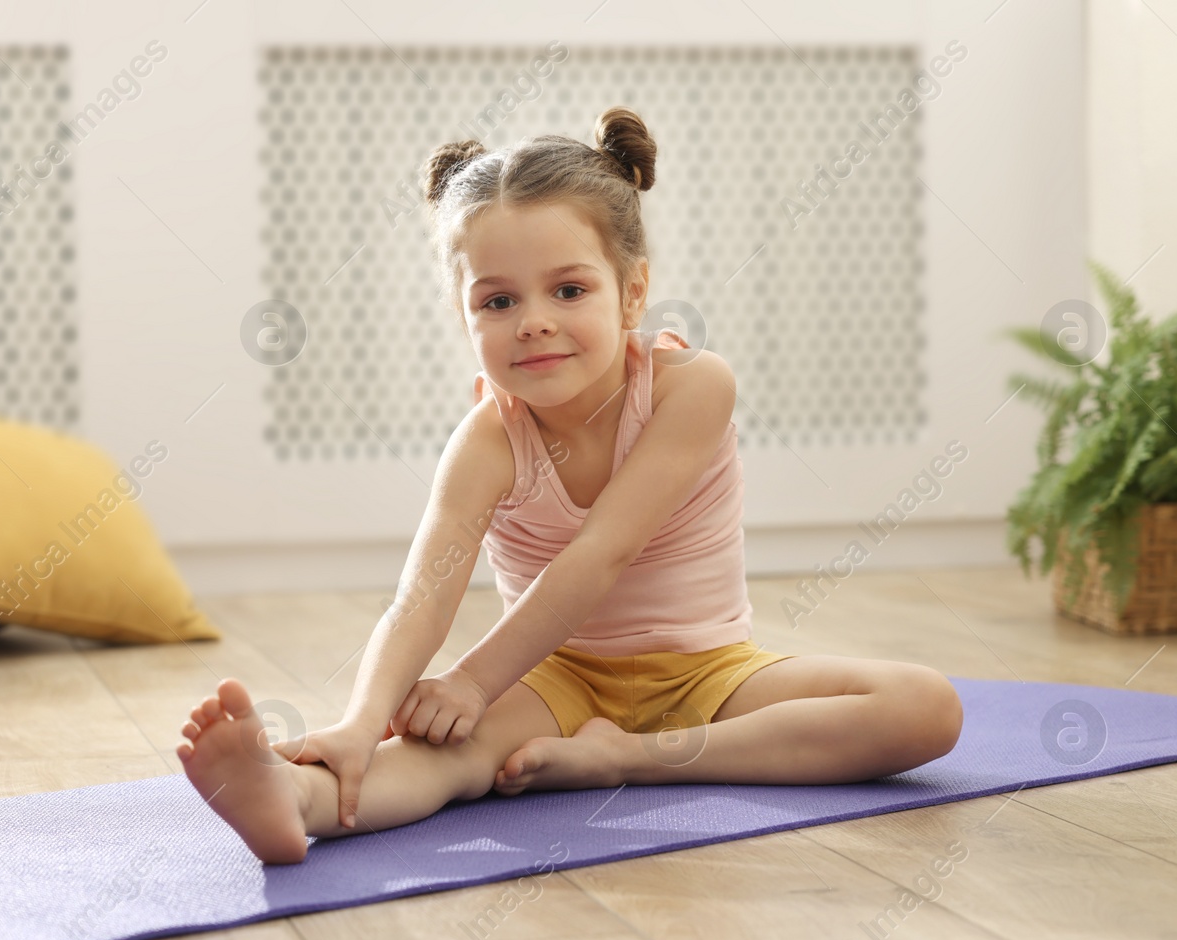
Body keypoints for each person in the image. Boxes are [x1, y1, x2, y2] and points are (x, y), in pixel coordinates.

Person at [177, 105, 963, 864]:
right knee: (446, 754)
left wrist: (471, 678)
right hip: (557, 680)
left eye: (569, 290)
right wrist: (360, 721)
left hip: (708, 669)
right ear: (464, 317)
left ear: (633, 290)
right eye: (498, 300)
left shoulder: (692, 386)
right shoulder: (488, 440)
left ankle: (634, 758)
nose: (534, 320)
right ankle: (294, 800)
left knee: (925, 707)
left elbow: (600, 557)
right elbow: (422, 593)